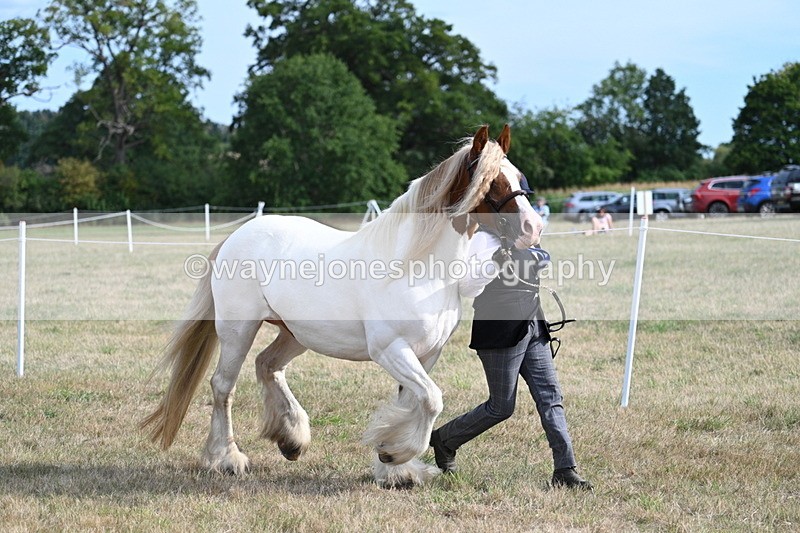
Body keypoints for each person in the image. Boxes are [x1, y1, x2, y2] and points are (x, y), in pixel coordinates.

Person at [429, 228, 593, 490]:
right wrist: (495, 261)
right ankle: (445, 440)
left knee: (550, 397)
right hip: (499, 329)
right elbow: (467, 287)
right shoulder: (482, 239)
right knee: (501, 407)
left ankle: (565, 469)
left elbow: (542, 259)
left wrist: (532, 248)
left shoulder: (526, 232)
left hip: (533, 323)